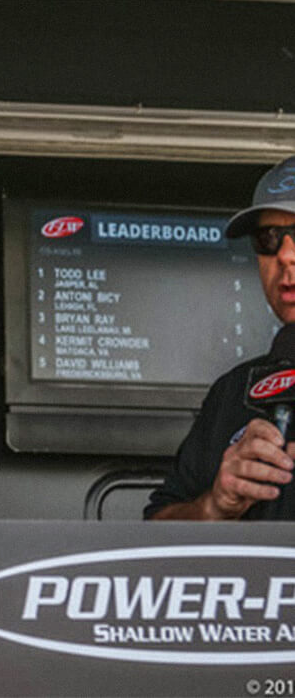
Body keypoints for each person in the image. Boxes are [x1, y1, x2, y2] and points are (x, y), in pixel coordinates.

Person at [145, 156, 295, 521]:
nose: (287, 256)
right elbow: (154, 537)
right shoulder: (234, 392)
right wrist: (215, 505)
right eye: (268, 238)